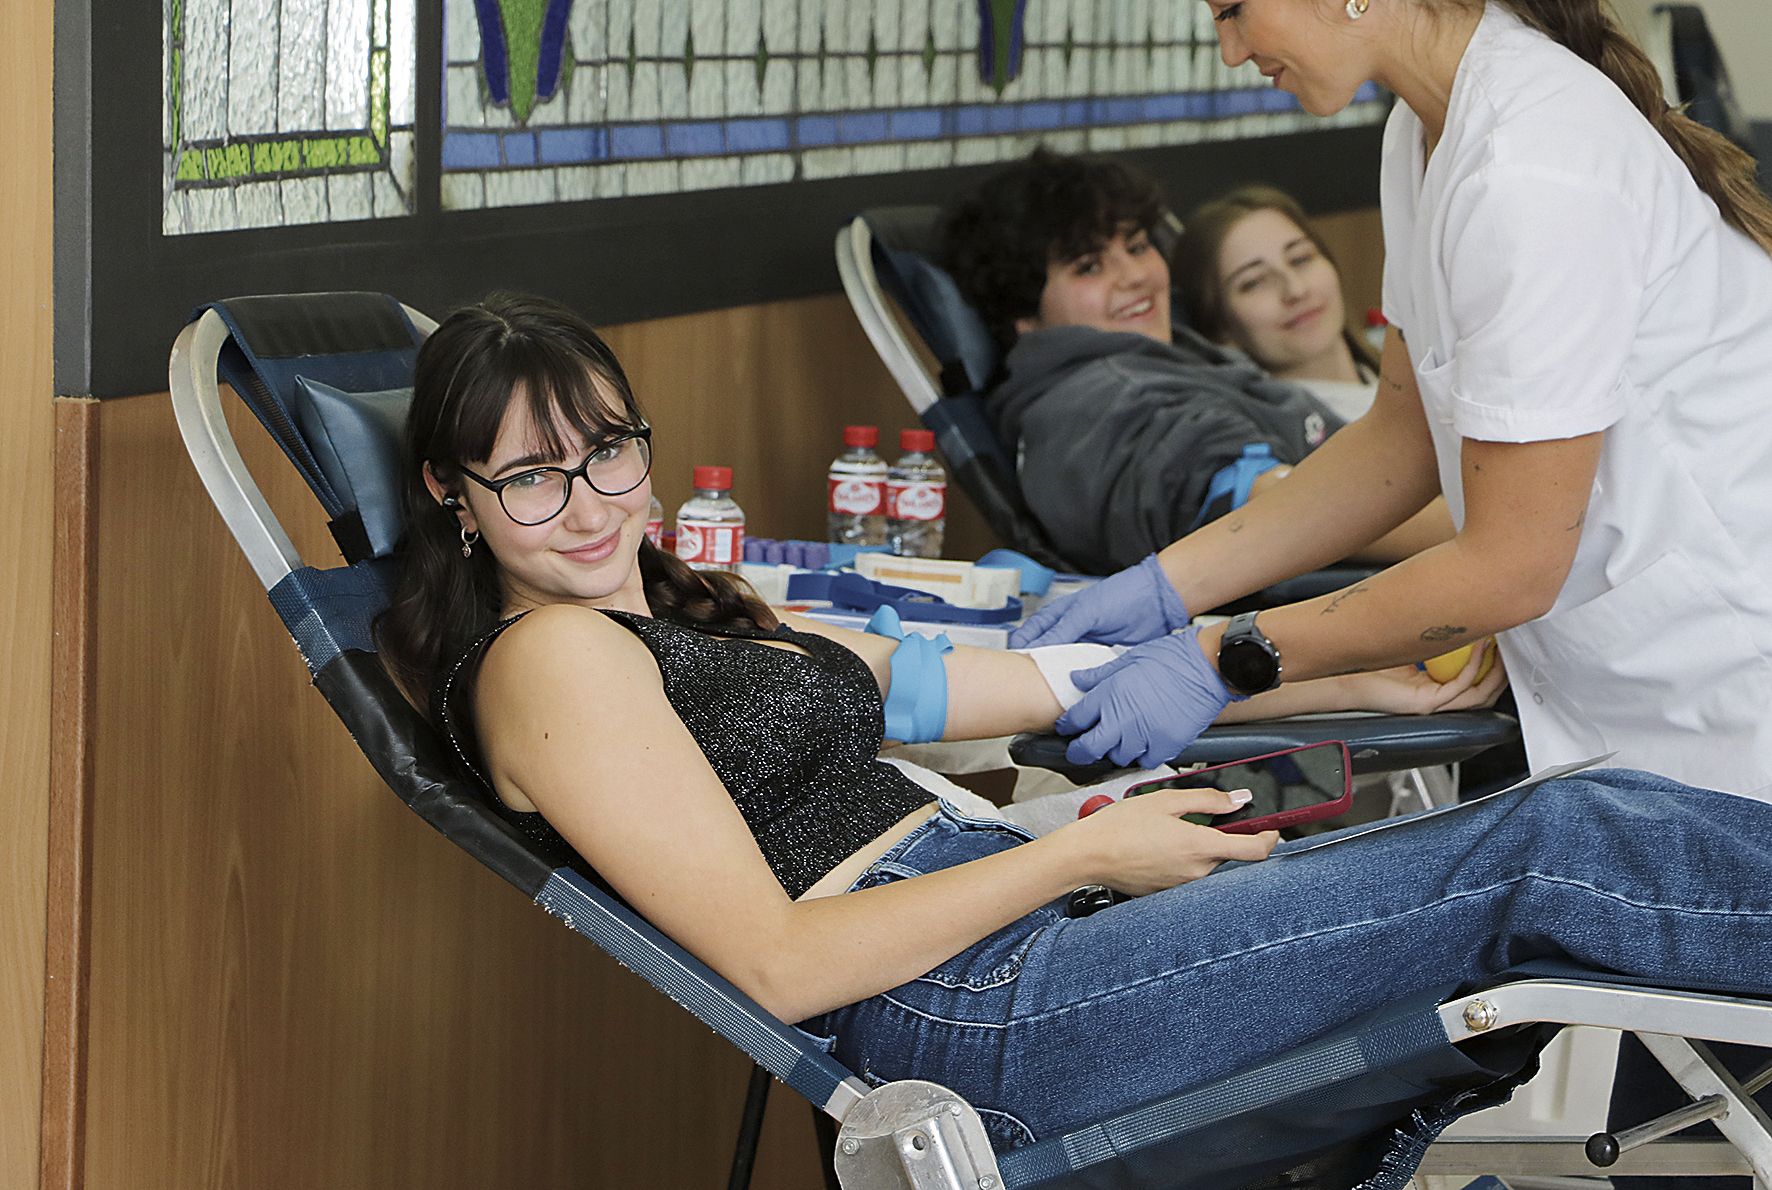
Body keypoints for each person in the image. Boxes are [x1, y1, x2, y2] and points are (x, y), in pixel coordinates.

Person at [377, 294, 1772, 1182]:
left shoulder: (702, 617)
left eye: (606, 449)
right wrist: (1071, 857)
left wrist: (1272, 675)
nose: (585, 501)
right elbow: (780, 963)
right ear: (452, 491)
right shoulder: (551, 660)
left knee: (1545, 833)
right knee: (1543, 846)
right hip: (977, 1014)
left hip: (1028, 939)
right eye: (529, 474)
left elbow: (1032, 684)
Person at [1013, 0, 1772, 803]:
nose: (1230, 50)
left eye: (1234, 12)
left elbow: (1511, 568)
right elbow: (1398, 443)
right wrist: (1168, 582)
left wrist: (1228, 656)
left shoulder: (1533, 164)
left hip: (1728, 681)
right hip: (1631, 692)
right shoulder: (1423, 133)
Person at [940, 148, 1449, 574]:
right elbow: (1262, 505)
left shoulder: (1172, 359)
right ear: (1022, 314)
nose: (1135, 276)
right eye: (1089, 266)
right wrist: (1492, 524)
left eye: (1137, 246)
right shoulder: (1101, 401)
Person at [1172, 184, 1382, 423]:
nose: (1296, 290)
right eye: (1254, 282)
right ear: (1220, 328)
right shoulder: (1280, 440)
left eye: (1300, 259)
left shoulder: (1407, 364)